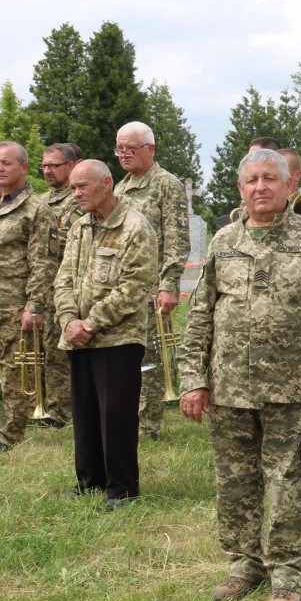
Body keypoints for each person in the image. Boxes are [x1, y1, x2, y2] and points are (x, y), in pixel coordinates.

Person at [179, 148, 301, 601]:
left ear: (290, 185)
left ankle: (288, 573)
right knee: (234, 480)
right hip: (229, 387)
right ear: (241, 189)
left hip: (291, 389)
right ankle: (244, 564)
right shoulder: (223, 242)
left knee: (287, 479)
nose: (261, 187)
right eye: (252, 179)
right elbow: (200, 314)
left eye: (270, 179)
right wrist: (192, 378)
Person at [54, 160, 157, 509]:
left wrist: (91, 323)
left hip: (118, 338)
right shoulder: (80, 227)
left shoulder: (134, 227)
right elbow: (63, 278)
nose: (77, 194)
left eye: (82, 186)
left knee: (115, 415)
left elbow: (133, 288)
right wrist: (69, 319)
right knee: (84, 413)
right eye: (72, 188)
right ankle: (89, 480)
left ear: (106, 183)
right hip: (78, 336)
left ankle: (122, 488)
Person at [112, 121, 189, 441]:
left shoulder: (166, 185)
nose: (124, 154)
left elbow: (177, 238)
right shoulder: (119, 188)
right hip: (121, 289)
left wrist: (168, 284)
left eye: (131, 148)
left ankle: (147, 426)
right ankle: (125, 417)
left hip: (151, 288)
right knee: (122, 356)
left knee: (150, 359)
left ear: (150, 149)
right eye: (119, 149)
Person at [0, 141, 56, 452]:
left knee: (15, 372)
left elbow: (44, 262)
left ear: (24, 168)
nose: (0, 169)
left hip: (13, 305)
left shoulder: (37, 210)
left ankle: (9, 435)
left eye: (7, 164)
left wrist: (34, 305)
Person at [39, 143, 84, 429]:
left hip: (63, 283)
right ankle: (43, 404)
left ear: (70, 166)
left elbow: (65, 242)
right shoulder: (42, 200)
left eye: (53, 166)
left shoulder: (77, 200)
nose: (47, 171)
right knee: (42, 349)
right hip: (40, 283)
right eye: (44, 166)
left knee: (58, 352)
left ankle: (59, 411)